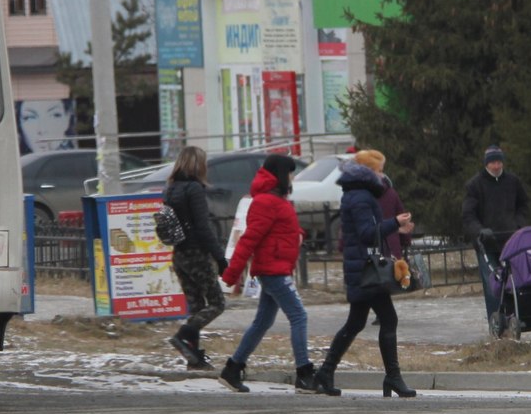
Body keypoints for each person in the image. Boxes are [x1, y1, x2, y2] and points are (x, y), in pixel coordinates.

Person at [311, 157, 418, 397]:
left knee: (356, 322)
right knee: (388, 319)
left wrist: (396, 228)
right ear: (368, 175)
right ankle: (392, 377)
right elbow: (368, 233)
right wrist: (394, 222)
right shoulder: (360, 198)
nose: (382, 176)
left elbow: (369, 230)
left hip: (361, 269)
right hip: (365, 271)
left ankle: (325, 374)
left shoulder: (358, 195)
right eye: (378, 172)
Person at [219, 154, 311, 393]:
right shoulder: (265, 202)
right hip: (274, 271)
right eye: (290, 173)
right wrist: (232, 274)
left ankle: (233, 368)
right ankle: (304, 374)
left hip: (276, 267)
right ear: (281, 174)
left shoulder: (275, 200)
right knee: (299, 316)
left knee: (263, 322)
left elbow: (280, 228)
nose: (292, 177)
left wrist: (298, 234)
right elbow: (249, 240)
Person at [163, 146, 228, 369]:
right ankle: (183, 336)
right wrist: (220, 258)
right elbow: (203, 227)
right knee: (217, 303)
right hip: (196, 253)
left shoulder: (171, 189)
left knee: (196, 305)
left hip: (179, 254)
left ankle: (194, 357)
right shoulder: (194, 189)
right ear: (198, 164)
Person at [461, 144, 529, 322]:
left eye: (499, 162)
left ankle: (515, 317)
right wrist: (480, 231)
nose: (497, 166)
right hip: (487, 243)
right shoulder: (474, 185)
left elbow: (523, 205)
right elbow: (468, 215)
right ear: (486, 164)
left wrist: (519, 224)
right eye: (493, 163)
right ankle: (496, 320)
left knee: (514, 281)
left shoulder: (513, 181)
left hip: (510, 240)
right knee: (493, 282)